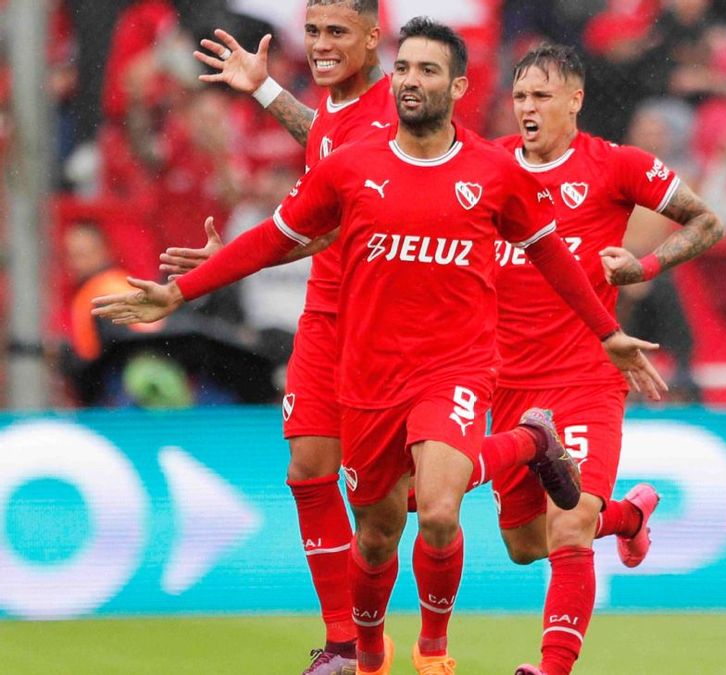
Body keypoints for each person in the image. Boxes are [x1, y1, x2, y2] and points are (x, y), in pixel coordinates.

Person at [95, 17, 665, 675]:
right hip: (368, 374)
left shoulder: (494, 171)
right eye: (405, 69)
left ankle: (432, 650)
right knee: (378, 533)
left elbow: (555, 257)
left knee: (442, 509)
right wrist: (181, 291)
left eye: (427, 70)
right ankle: (366, 652)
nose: (411, 81)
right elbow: (278, 235)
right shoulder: (351, 169)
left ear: (457, 86)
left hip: (454, 367)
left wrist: (609, 332)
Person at [492, 44, 724, 675]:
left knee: (569, 529)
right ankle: (628, 516)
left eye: (542, 96)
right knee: (522, 544)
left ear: (576, 100)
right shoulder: (487, 167)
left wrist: (645, 265)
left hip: (584, 375)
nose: (528, 109)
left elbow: (707, 223)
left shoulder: (616, 165)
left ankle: (552, 667)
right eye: (520, 97)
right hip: (504, 383)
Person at [180, 3, 396, 672]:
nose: (323, 45)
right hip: (326, 313)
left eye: (338, 32)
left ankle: (518, 448)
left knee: (385, 505)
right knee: (309, 469)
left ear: (371, 35)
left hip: (388, 323)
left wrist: (241, 256)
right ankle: (344, 645)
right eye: (315, 31)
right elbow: (325, 143)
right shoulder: (337, 108)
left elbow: (331, 221)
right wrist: (269, 89)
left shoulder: (398, 105)